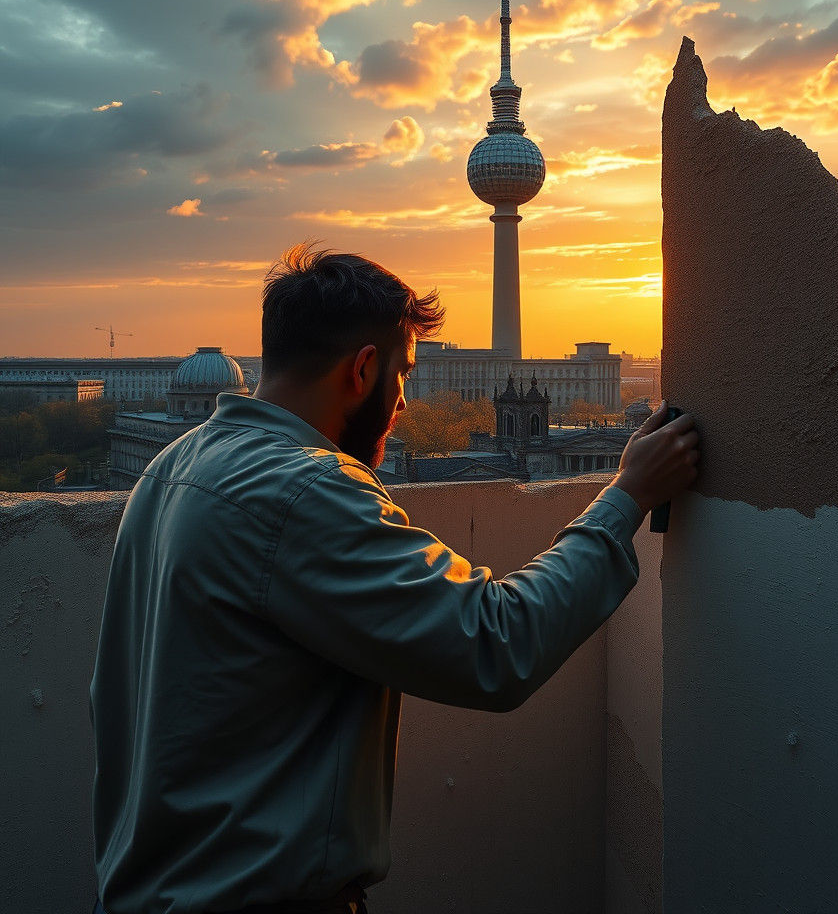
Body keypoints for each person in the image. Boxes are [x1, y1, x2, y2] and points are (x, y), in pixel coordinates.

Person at [90, 244, 700, 914]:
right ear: (362, 369)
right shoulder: (304, 490)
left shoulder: (173, 468)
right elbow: (497, 642)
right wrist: (626, 496)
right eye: (403, 374)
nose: (405, 402)